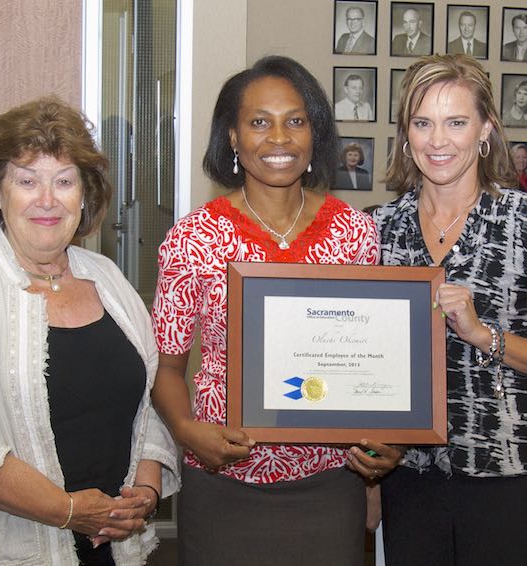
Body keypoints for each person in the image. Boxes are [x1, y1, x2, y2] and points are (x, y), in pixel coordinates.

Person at [150, 55, 403, 566]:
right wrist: (186, 429)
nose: (279, 138)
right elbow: (167, 366)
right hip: (223, 483)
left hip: (329, 484)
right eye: (259, 122)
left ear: (315, 135)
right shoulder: (193, 238)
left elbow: (374, 363)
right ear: (233, 139)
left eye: (295, 121)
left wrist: (386, 443)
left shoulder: (355, 233)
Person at [0, 96, 180, 565]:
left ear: (85, 196)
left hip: (113, 546)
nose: (47, 199)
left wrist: (144, 490)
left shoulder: (108, 278)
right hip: (14, 546)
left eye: (64, 181)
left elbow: (146, 406)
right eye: (27, 180)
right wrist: (68, 510)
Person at [374, 53, 527, 566]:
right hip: (409, 475)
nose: (438, 141)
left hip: (507, 473)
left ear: (486, 129)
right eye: (423, 123)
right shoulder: (376, 230)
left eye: (456, 122)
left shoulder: (521, 224)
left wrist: (484, 335)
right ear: (405, 133)